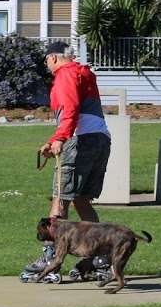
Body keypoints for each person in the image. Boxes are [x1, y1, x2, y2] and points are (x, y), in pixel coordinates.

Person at [21, 41, 112, 283]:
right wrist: (54, 140)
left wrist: (60, 138)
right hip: (100, 141)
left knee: (59, 201)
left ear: (53, 58)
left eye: (46, 61)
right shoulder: (84, 73)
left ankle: (51, 258)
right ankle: (99, 259)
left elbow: (70, 109)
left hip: (79, 142)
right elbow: (79, 114)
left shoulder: (65, 75)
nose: (46, 66)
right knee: (82, 201)